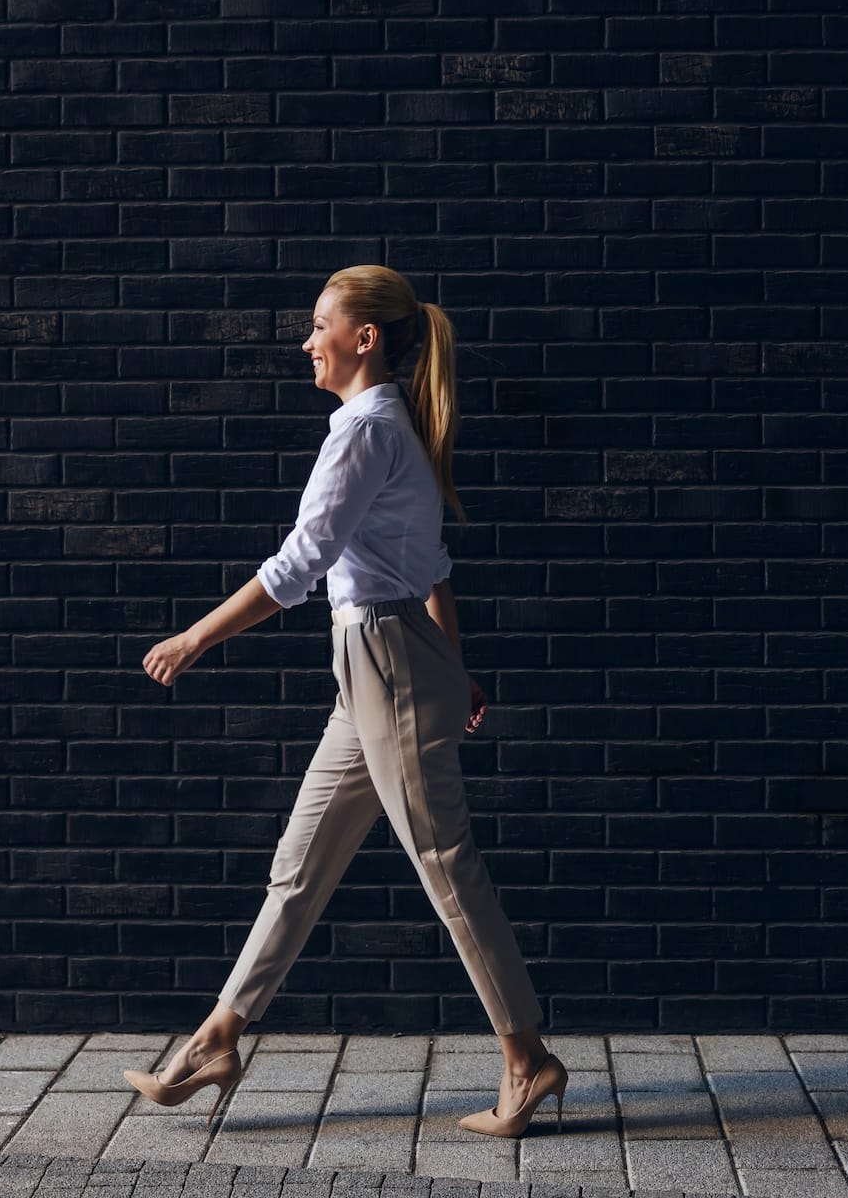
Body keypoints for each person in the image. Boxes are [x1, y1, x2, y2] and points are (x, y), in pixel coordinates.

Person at [120, 265, 567, 1138]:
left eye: (319, 324)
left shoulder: (366, 431)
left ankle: (528, 1061)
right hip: (383, 665)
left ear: (364, 338)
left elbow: (299, 565)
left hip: (387, 665)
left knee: (446, 868)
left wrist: (193, 638)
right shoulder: (390, 425)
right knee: (301, 861)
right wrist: (454, 666)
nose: (306, 339)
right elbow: (432, 571)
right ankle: (218, 1038)